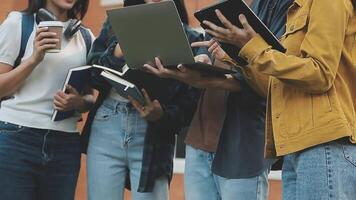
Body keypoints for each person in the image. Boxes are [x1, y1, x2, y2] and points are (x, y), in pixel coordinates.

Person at [202, 0, 356, 199]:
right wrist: (239, 56)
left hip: (323, 143)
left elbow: (320, 74)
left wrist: (252, 47)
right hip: (296, 147)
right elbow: (274, 87)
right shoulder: (296, 8)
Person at [144, 0, 293, 199]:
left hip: (244, 145)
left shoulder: (279, 6)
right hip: (200, 140)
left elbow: (274, 77)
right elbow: (208, 44)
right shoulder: (223, 7)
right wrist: (203, 57)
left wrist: (207, 79)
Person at [81, 0, 203, 199]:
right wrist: (118, 49)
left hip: (153, 133)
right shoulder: (114, 25)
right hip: (107, 124)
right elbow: (93, 76)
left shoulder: (191, 38)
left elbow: (190, 103)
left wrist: (162, 114)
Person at [0, 0, 94, 199]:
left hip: (65, 144)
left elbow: (91, 99)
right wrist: (34, 59)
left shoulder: (85, 36)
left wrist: (78, 102)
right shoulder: (18, 23)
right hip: (16, 139)